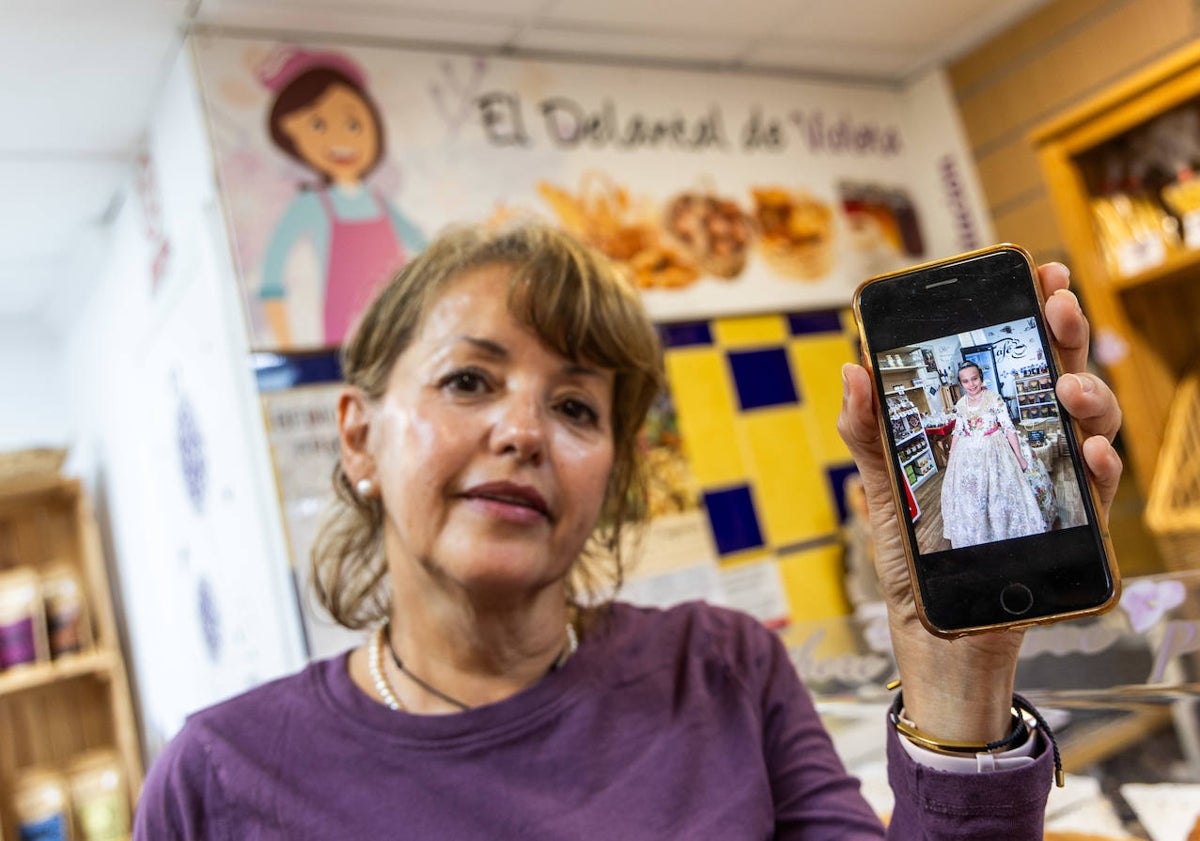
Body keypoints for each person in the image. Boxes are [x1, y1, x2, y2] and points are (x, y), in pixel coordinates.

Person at [134, 224, 1123, 839]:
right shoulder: (218, 779)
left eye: (574, 407)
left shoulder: (723, 667)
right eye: (469, 379)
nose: (523, 429)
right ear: (359, 437)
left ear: (609, 475)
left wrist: (961, 671)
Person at [257, 46, 426, 348]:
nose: (340, 139)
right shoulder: (309, 205)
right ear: (292, 136)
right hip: (348, 337)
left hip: (407, 325)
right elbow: (273, 270)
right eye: (318, 126)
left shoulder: (379, 201)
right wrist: (287, 346)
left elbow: (427, 251)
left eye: (353, 124)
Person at [940, 361, 1050, 548]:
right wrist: (951, 459)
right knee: (973, 496)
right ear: (961, 384)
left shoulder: (994, 398)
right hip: (968, 455)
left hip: (994, 450)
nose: (971, 384)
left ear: (980, 377)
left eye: (974, 379)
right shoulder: (960, 404)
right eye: (965, 381)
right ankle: (980, 535)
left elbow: (1008, 427)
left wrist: (1020, 457)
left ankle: (1003, 532)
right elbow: (958, 432)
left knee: (999, 493)